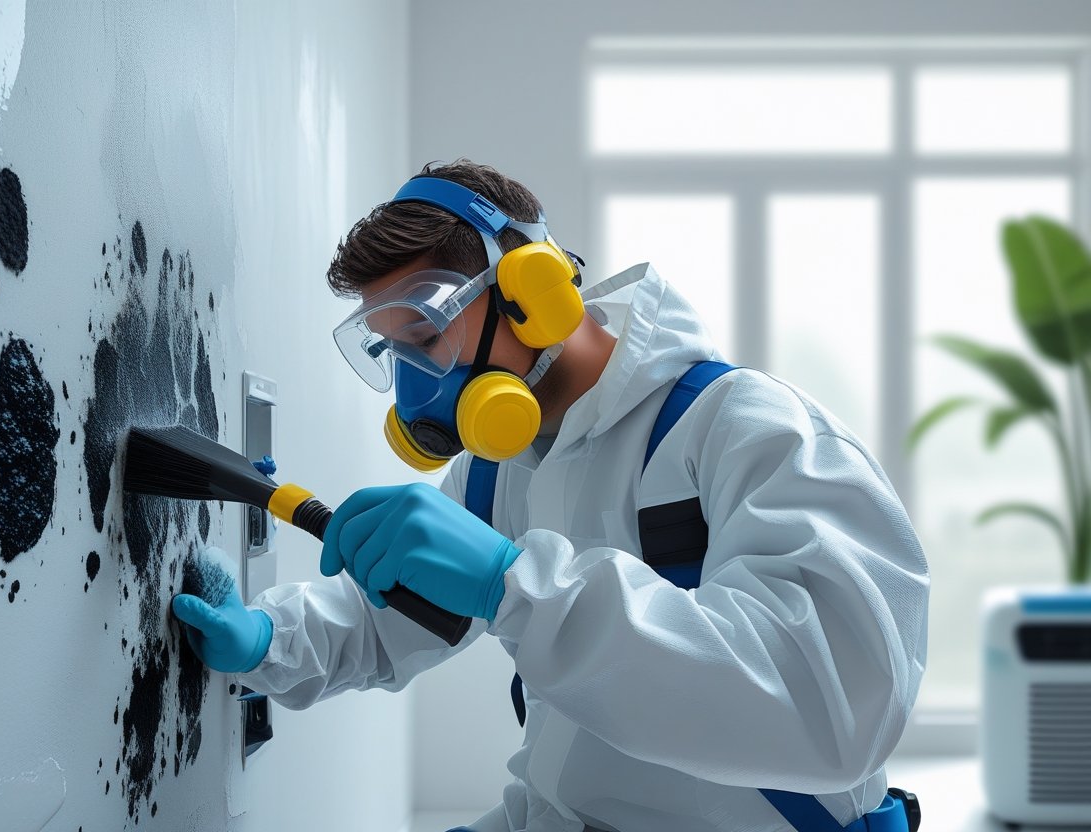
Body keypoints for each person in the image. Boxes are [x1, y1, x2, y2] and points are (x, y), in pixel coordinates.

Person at [172, 159, 930, 832]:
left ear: (529, 288)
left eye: (429, 334)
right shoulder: (500, 469)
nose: (414, 384)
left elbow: (834, 709)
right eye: (391, 349)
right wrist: (272, 638)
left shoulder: (747, 429)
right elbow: (398, 615)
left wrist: (514, 584)